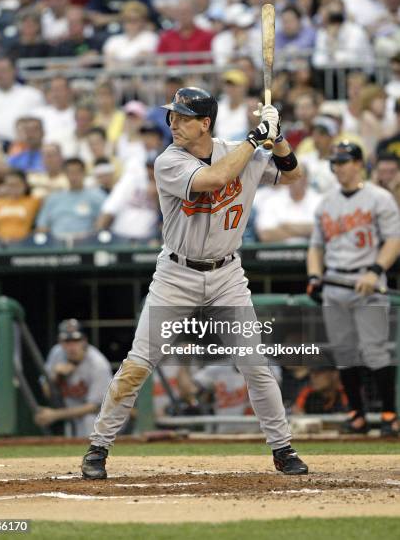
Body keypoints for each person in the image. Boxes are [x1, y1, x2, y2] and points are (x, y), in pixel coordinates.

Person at [81, 86, 308, 479]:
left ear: (205, 123)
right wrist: (257, 138)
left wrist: (279, 136)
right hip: (176, 274)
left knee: (255, 365)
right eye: (172, 115)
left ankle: (282, 448)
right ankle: (98, 447)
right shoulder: (167, 161)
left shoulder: (239, 150)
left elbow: (292, 176)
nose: (173, 122)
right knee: (137, 364)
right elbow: (216, 177)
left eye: (183, 117)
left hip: (227, 275)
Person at [307, 141, 400, 436]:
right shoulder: (325, 202)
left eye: (345, 161)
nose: (339, 167)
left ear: (359, 164)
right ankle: (356, 415)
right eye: (335, 162)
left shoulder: (380, 198)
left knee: (375, 351)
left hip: (367, 282)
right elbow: (315, 247)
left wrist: (376, 270)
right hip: (334, 280)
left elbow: (394, 240)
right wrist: (314, 276)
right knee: (344, 353)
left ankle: (388, 415)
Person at [36, 318, 112, 437]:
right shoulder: (57, 353)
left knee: (89, 421)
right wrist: (56, 376)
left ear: (84, 341)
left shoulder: (98, 364)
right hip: (72, 415)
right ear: (60, 342)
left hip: (104, 417)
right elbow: (47, 394)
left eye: (76, 340)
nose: (71, 346)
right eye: (66, 341)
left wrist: (55, 415)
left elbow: (95, 407)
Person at [36, 157, 106, 241]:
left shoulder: (97, 196)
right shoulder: (53, 198)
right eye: (70, 172)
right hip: (57, 242)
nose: (74, 176)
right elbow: (42, 225)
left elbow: (104, 221)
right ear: (65, 174)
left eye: (77, 172)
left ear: (84, 173)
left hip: (86, 242)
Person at [0, 168, 41, 243]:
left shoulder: (33, 201)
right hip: (0, 244)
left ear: (24, 185)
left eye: (16, 185)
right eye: (9, 185)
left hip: (23, 243)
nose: (13, 188)